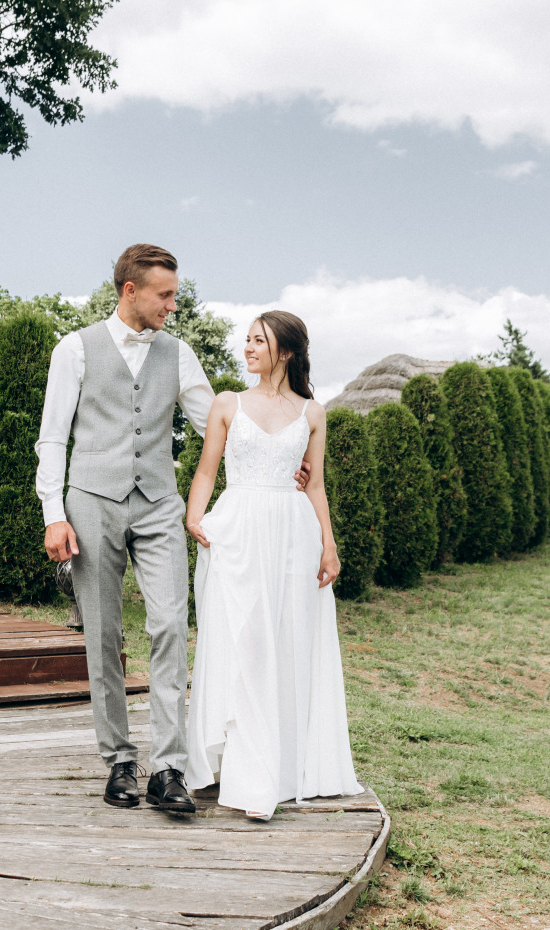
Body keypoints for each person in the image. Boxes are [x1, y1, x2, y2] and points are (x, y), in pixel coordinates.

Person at [37, 244, 307, 815]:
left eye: (175, 295)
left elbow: (221, 422)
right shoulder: (75, 349)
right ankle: (118, 760)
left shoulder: (179, 354)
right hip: (91, 501)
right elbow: (52, 437)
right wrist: (52, 513)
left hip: (159, 504)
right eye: (165, 295)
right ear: (130, 291)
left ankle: (169, 769)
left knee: (168, 626)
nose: (172, 306)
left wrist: (285, 453)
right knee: (104, 635)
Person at [183, 311, 364, 821]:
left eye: (258, 341)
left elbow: (316, 486)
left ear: (284, 350)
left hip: (292, 534)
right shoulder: (227, 403)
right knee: (243, 642)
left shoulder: (313, 413)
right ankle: (243, 769)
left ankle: (279, 770)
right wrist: (193, 515)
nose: (247, 348)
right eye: (246, 340)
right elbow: (205, 470)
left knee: (286, 641)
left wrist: (329, 545)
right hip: (238, 530)